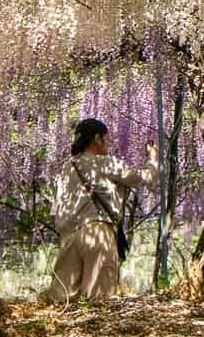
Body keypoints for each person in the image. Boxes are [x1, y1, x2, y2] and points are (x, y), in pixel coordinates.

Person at [49, 118, 158, 303]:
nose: (109, 143)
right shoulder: (106, 163)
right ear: (97, 138)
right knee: (100, 302)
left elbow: (56, 210)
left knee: (62, 301)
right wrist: (153, 159)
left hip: (68, 237)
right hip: (97, 233)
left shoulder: (66, 169)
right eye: (107, 139)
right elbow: (143, 178)